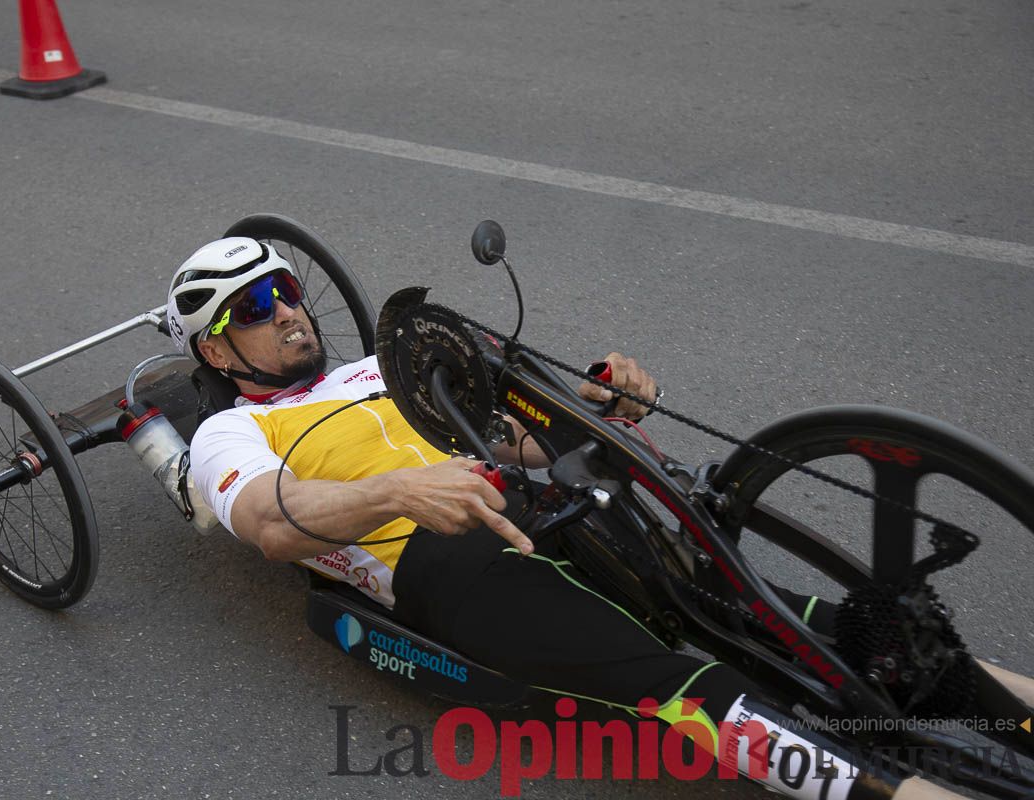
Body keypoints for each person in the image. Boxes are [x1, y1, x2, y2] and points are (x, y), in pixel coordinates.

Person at [166, 236, 1023, 799]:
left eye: (282, 287)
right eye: (249, 308)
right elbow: (274, 523)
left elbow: (513, 440)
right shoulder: (229, 431)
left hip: (552, 504)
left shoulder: (386, 370)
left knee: (812, 621)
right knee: (683, 687)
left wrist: (596, 407)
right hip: (447, 560)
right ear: (214, 349)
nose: (284, 309)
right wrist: (397, 493)